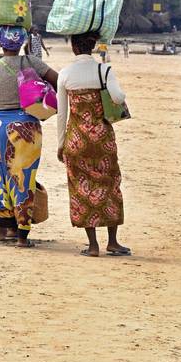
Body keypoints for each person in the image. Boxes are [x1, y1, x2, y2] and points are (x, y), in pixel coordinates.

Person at [0, 25, 58, 248]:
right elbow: (58, 81)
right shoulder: (32, 63)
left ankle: (4, 230)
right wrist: (42, 97)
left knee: (3, 174)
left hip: (0, 124)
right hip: (27, 124)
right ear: (21, 43)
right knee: (24, 177)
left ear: (1, 43)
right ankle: (22, 236)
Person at [56, 32, 131, 257]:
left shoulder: (65, 74)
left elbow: (62, 113)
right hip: (102, 140)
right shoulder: (104, 70)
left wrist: (61, 144)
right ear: (93, 46)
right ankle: (113, 242)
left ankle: (93, 245)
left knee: (80, 189)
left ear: (73, 48)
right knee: (110, 185)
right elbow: (118, 97)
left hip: (76, 139)